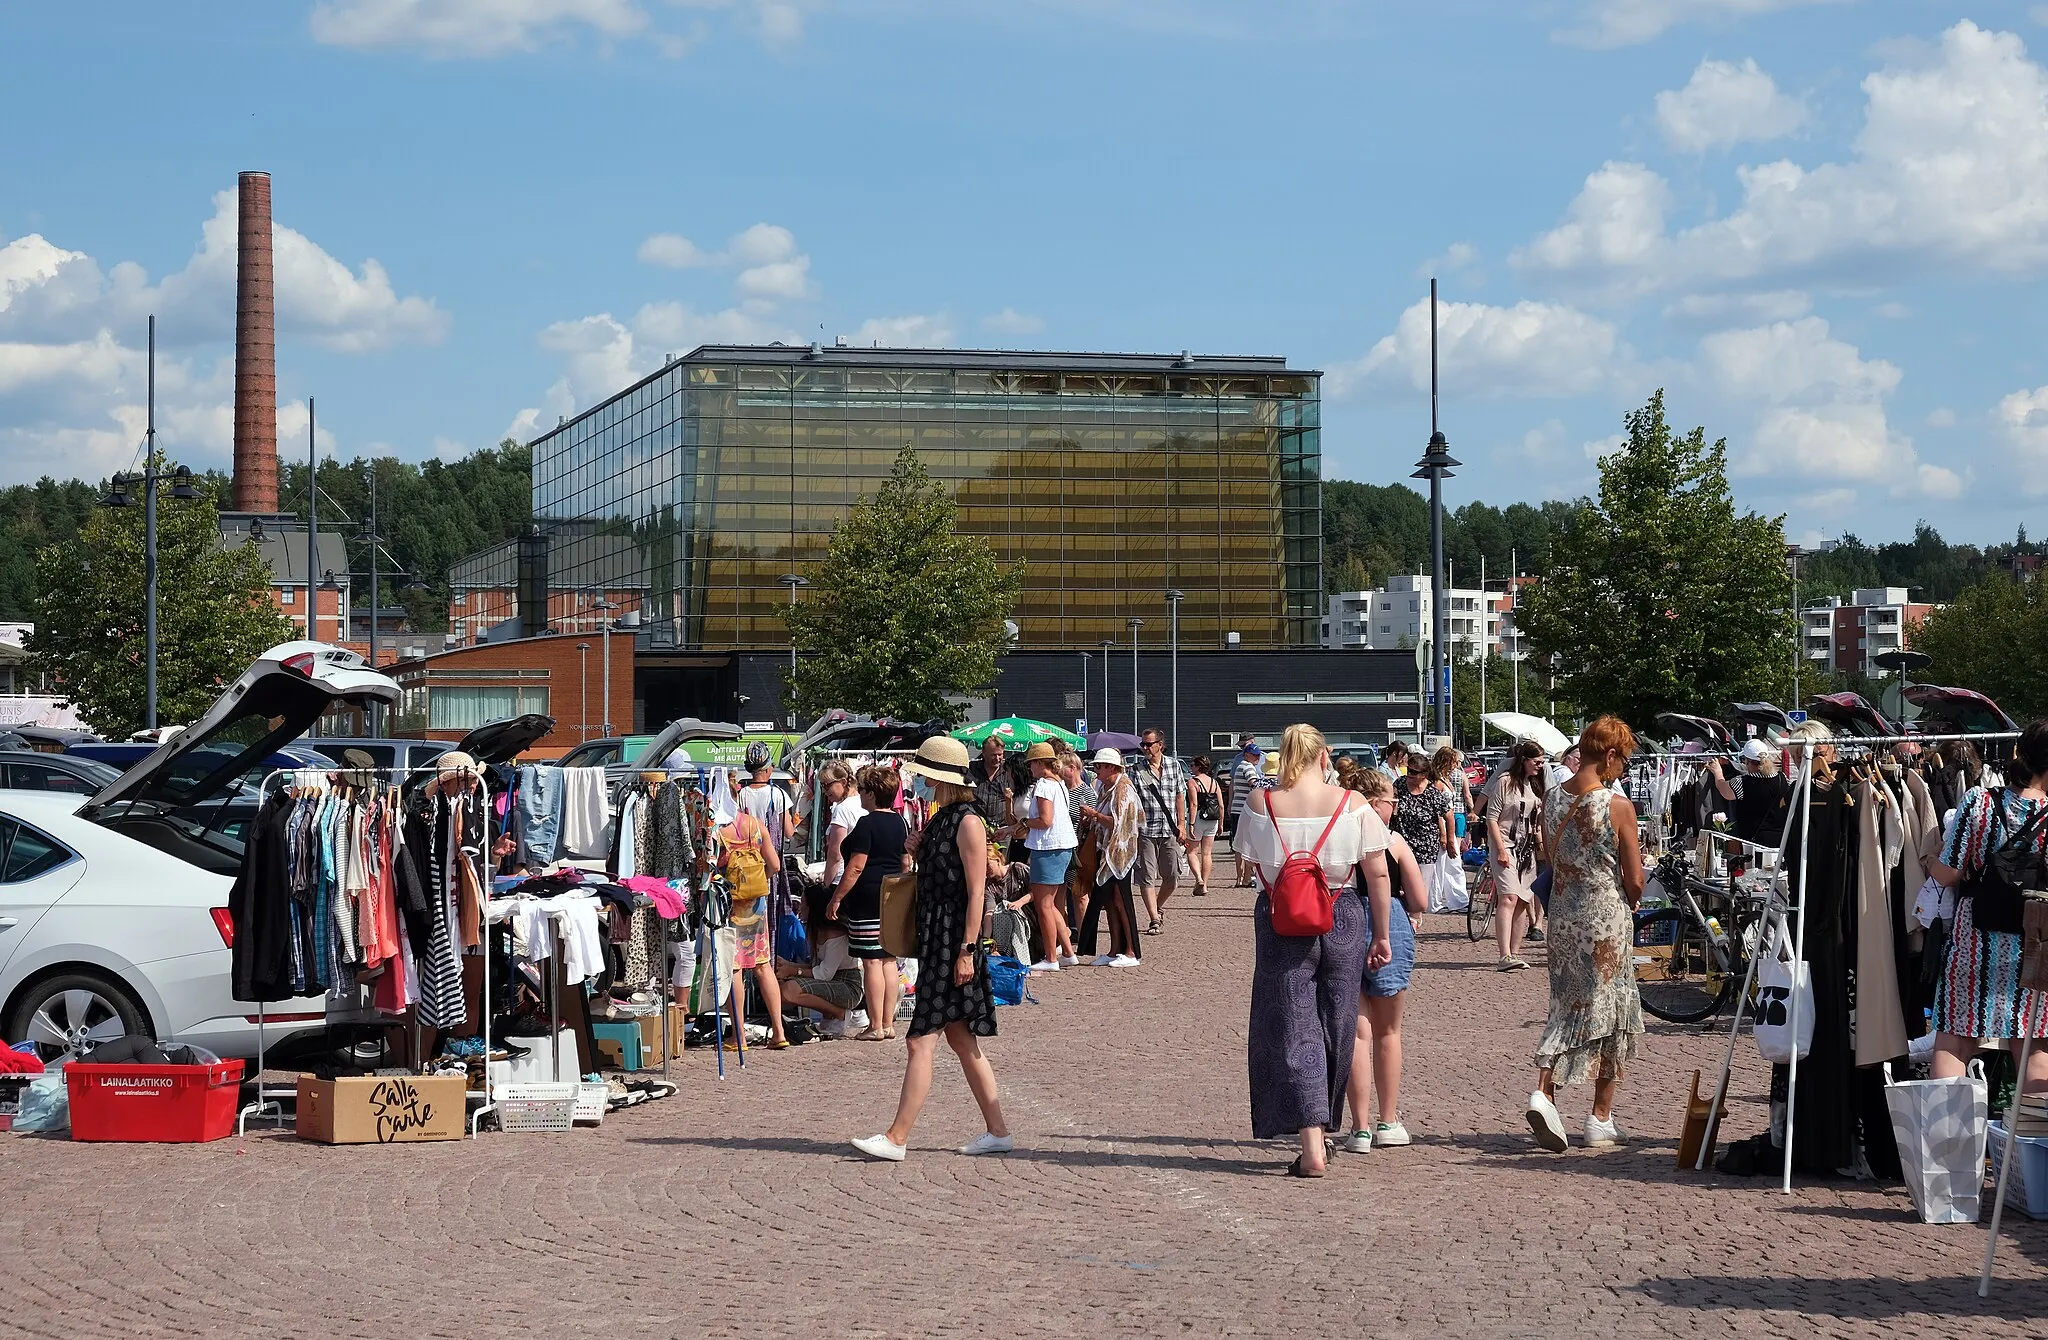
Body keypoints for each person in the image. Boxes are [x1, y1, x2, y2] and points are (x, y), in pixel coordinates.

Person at [1233, 724, 1394, 1177]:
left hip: (1283, 918)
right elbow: (1377, 875)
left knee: (1292, 1023)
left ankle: (1311, 1142)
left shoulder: (1260, 803)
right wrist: (1381, 934)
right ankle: (1323, 1132)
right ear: (1324, 757)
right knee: (1337, 1022)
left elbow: (1252, 864)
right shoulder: (1354, 804)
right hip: (1342, 912)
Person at [853, 737, 1013, 1162]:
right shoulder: (942, 820)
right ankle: (997, 1130)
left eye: (925, 773)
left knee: (920, 1040)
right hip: (937, 938)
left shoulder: (968, 822)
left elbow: (977, 891)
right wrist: (916, 852)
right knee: (961, 1039)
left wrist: (966, 949)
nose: (919, 780)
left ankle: (897, 1136)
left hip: (954, 941)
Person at [1526, 716, 1645, 1152]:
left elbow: (1550, 854)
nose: (1624, 769)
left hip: (1561, 917)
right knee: (1611, 1011)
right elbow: (1634, 880)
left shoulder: (1553, 798)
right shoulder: (1616, 806)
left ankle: (1547, 1093)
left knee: (1566, 1005)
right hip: (1604, 919)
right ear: (1610, 756)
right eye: (1624, 760)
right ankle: (1599, 1116)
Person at [1927, 719, 2048, 1097]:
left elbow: (1947, 874)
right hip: (2034, 942)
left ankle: (1949, 1151)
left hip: (1975, 938)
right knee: (2033, 1050)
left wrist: (1930, 859)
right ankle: (2034, 1149)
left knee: (1955, 1040)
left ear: (2018, 753)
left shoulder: (1980, 802)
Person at [1341, 768, 1428, 1153]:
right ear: (1376, 803)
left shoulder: (1339, 837)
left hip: (1343, 922)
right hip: (1388, 922)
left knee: (1356, 1032)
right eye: (1392, 801)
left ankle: (1359, 1129)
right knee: (1388, 1032)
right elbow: (1421, 899)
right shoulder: (1392, 841)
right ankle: (1388, 1121)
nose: (1395, 807)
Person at [828, 765, 909, 1041]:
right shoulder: (901, 822)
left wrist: (837, 896)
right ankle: (887, 1023)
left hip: (868, 896)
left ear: (872, 794)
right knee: (888, 959)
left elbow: (856, 866)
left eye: (862, 790)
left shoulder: (867, 823)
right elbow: (905, 861)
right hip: (891, 896)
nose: (859, 794)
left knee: (871, 962)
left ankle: (875, 1024)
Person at [720, 796, 789, 1049]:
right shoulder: (755, 824)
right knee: (762, 965)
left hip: (730, 905)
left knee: (734, 967)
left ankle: (738, 1035)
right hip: (756, 904)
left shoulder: (717, 829)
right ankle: (779, 1031)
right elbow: (775, 865)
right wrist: (757, 885)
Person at [1482, 740, 1548, 971]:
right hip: (1505, 844)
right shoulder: (1504, 782)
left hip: (1527, 848)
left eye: (1542, 762)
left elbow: (1538, 821)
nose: (1540, 766)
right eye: (1536, 762)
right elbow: (1491, 817)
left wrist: (1543, 847)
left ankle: (1515, 952)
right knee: (1508, 897)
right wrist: (1499, 848)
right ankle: (1504, 954)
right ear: (1524, 761)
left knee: (1522, 899)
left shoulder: (1535, 786)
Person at [1078, 748, 1143, 966]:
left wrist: (1095, 815)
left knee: (1120, 900)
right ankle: (1115, 949)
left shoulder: (1123, 790)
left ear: (1111, 768)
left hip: (1120, 854)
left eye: (1099, 766)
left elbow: (1119, 823)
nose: (1095, 770)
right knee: (1109, 900)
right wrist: (1092, 819)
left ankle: (1131, 951)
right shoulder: (1108, 789)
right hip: (1107, 851)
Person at [1019, 742, 1080, 972]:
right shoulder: (1059, 783)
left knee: (1043, 905)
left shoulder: (1044, 784)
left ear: (1038, 763)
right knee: (1052, 904)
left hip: (1048, 848)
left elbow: (1045, 821)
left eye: (1031, 763)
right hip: (1061, 847)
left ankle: (1050, 957)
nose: (1029, 768)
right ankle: (1067, 952)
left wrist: (1024, 824)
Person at [1130, 728, 1190, 935]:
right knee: (1146, 875)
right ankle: (1154, 919)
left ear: (1160, 745)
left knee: (1172, 876)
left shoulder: (1174, 766)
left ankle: (1157, 905)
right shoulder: (1136, 770)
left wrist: (1181, 825)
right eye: (1143, 745)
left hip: (1169, 829)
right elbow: (1131, 801)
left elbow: (1180, 796)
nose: (1145, 748)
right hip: (1145, 830)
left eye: (1149, 744)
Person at [778, 896, 865, 1038]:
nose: (800, 908)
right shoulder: (817, 931)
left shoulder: (835, 935)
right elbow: (814, 967)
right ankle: (829, 1013)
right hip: (832, 980)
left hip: (848, 986)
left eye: (804, 904)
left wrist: (792, 970)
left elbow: (824, 973)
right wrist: (786, 965)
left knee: (790, 990)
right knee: (781, 986)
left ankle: (839, 1013)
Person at [1708, 739, 1791, 849]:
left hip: (1753, 841)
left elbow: (1724, 791)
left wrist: (1717, 772)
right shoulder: (1782, 778)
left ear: (1747, 761)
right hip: (1779, 840)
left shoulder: (1742, 782)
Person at [1391, 764, 1453, 911]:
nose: (1410, 775)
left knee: (1419, 894)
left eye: (1414, 772)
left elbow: (1449, 817)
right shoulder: (1400, 784)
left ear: (1424, 774)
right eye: (1409, 770)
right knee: (1398, 888)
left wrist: (1449, 840)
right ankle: (1401, 919)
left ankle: (1414, 922)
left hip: (1425, 847)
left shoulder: (1433, 794)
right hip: (1401, 844)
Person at [736, 742, 796, 857]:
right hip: (771, 857)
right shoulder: (778, 794)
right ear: (767, 769)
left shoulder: (742, 794)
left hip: (749, 857)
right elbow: (789, 832)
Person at [1185, 755, 1224, 896]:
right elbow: (1220, 805)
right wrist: (1221, 823)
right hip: (1213, 820)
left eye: (1192, 765)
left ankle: (1199, 879)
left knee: (1192, 851)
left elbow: (1193, 804)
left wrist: (1191, 823)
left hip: (1199, 818)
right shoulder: (1214, 782)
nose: (1191, 767)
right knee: (1207, 853)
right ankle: (1205, 885)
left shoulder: (1193, 782)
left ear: (1198, 766)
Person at [818, 761, 859, 887]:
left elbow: (835, 855)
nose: (825, 791)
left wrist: (826, 885)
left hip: (842, 879)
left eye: (827, 785)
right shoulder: (865, 803)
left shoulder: (842, 809)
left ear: (843, 782)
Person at [1229, 737, 1264, 887]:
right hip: (1245, 809)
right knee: (1248, 843)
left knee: (1240, 844)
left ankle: (1242, 877)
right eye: (1254, 755)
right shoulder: (1248, 767)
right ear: (1247, 755)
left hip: (1238, 808)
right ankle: (1245, 877)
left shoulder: (1240, 766)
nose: (1257, 758)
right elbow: (1255, 785)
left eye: (1258, 755)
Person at [968, 736, 1016, 839]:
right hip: (976, 828)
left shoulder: (1009, 770)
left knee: (1000, 856)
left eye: (1000, 754)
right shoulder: (971, 768)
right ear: (983, 753)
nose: (998, 758)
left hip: (1002, 831)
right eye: (993, 755)